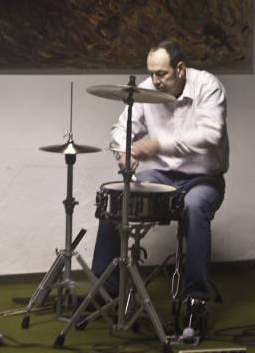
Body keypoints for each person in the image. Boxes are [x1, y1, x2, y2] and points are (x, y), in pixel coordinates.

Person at [91, 40, 229, 339]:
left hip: (204, 178)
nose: (155, 80)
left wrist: (157, 145)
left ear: (180, 69)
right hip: (163, 176)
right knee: (118, 197)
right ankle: (106, 292)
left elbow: (212, 135)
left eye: (162, 74)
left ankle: (196, 301)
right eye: (152, 73)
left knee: (194, 207)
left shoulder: (208, 86)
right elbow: (120, 129)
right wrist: (123, 150)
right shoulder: (145, 90)